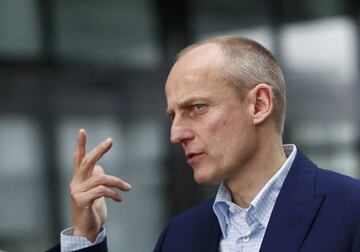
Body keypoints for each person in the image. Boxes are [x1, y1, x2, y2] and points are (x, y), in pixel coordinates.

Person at [48, 36, 360, 252]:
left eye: (196, 108)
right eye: (173, 115)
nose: (176, 134)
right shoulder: (180, 236)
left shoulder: (350, 211)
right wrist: (85, 235)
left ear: (259, 105)